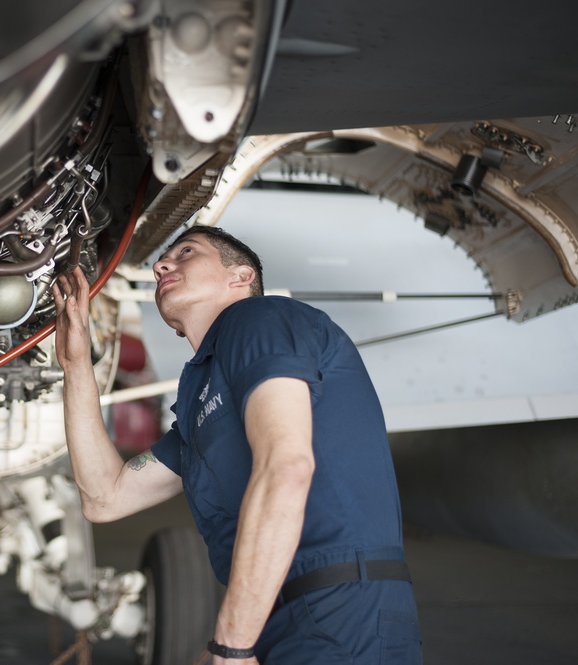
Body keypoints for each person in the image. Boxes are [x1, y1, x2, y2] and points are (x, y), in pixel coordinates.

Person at [52, 225, 422, 664]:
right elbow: (104, 497)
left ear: (241, 277)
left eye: (187, 252)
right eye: (163, 260)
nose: (161, 265)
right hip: (273, 613)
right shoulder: (200, 400)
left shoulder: (259, 320)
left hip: (338, 609)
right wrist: (76, 365)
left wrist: (231, 644)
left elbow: (287, 467)